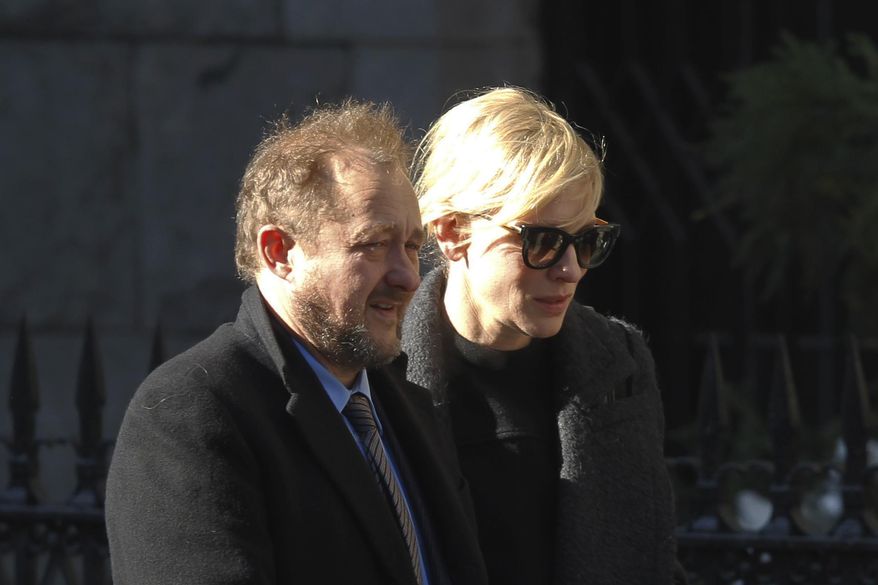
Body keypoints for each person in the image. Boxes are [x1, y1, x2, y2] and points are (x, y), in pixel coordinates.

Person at [105, 100, 488, 585]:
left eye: (412, 246)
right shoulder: (192, 415)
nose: (408, 276)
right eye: (372, 243)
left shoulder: (408, 406)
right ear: (279, 251)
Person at [401, 87, 684, 585]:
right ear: (451, 232)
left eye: (585, 240)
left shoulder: (618, 363)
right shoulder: (376, 372)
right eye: (543, 240)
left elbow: (649, 556)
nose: (571, 269)